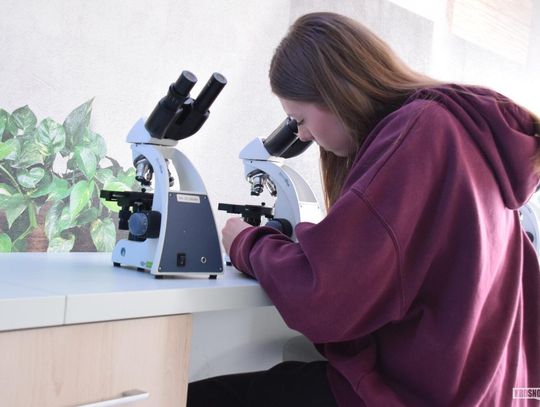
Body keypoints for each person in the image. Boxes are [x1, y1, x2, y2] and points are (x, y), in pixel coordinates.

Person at [187, 12, 540, 407]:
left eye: (299, 119)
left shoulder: (419, 132)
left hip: (415, 396)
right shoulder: (464, 134)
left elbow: (325, 297)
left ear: (336, 92)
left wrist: (247, 243)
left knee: (188, 397)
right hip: (485, 392)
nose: (302, 135)